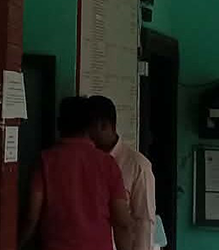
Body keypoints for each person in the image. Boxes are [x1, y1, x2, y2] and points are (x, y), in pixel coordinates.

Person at [20, 96, 133, 250]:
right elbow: (122, 223)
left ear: (59, 124)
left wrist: (16, 244)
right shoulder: (108, 164)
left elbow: (31, 216)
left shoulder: (45, 161)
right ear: (89, 127)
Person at [85, 96, 157, 250]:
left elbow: (144, 221)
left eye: (89, 129)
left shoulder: (138, 165)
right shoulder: (84, 161)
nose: (87, 136)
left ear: (104, 126)